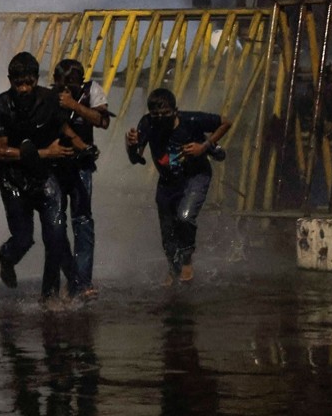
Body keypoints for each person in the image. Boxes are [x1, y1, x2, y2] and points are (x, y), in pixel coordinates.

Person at [0, 52, 89, 302]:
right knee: (23, 238)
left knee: (55, 234)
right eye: (17, 83)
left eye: (28, 82)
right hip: (13, 180)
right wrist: (46, 152)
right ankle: (7, 257)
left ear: (36, 79)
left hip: (45, 177)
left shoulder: (50, 100)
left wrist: (81, 146)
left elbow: (63, 126)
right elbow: (1, 152)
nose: (23, 88)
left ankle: (49, 296)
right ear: (10, 80)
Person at [125, 88, 232, 285]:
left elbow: (226, 122)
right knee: (167, 231)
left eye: (164, 115)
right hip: (168, 181)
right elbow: (135, 158)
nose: (159, 120)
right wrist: (130, 144)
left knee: (184, 217)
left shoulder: (191, 120)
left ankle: (187, 259)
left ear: (175, 111)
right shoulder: (147, 124)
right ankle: (173, 269)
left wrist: (204, 146)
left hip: (195, 176)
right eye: (155, 115)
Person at [51, 59, 109, 301]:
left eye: (71, 84)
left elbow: (102, 120)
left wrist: (74, 104)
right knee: (54, 223)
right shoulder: (48, 95)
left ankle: (83, 282)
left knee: (83, 222)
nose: (66, 88)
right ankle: (67, 278)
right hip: (53, 165)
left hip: (81, 166)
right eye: (62, 83)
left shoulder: (92, 91)